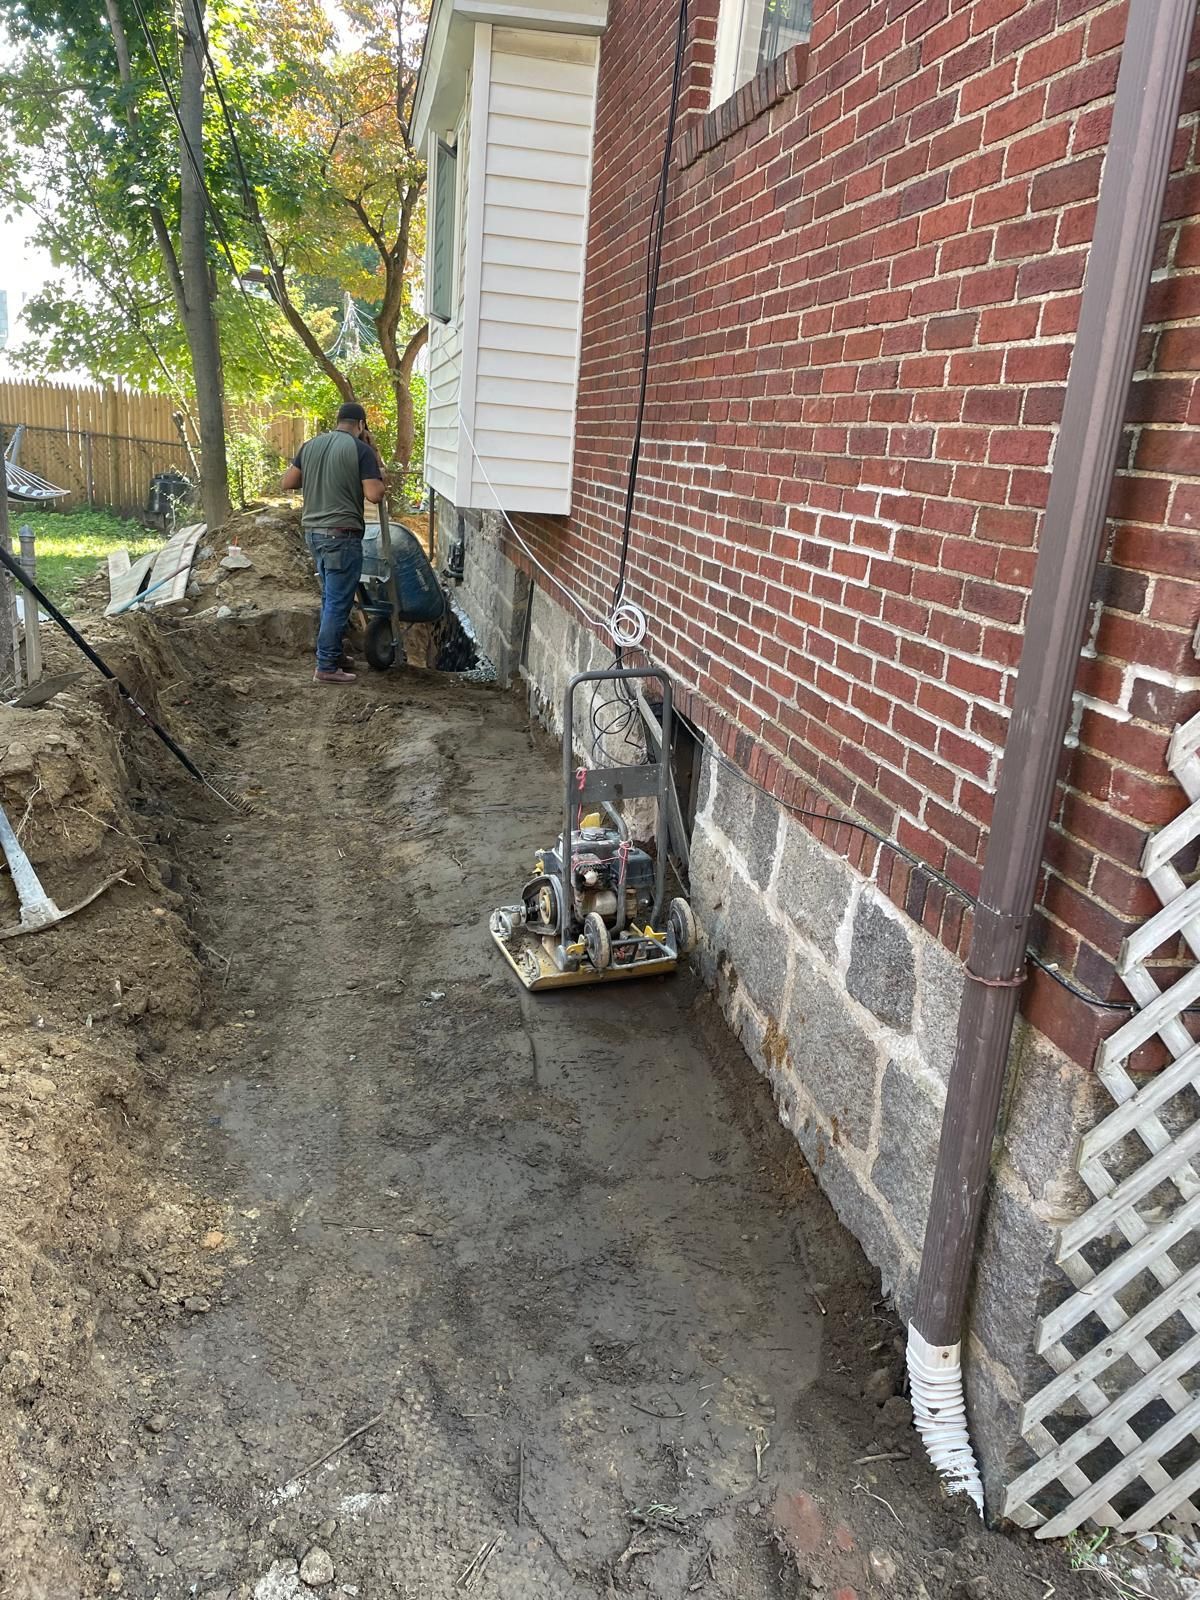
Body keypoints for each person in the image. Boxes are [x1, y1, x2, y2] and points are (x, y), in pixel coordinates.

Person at [281, 402, 386, 685]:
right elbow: (374, 495)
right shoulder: (361, 450)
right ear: (361, 426)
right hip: (341, 535)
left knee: (331, 597)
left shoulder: (311, 445)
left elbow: (287, 482)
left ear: (338, 421)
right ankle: (326, 666)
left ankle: (334, 654)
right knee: (338, 602)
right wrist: (374, 465)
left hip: (314, 533)